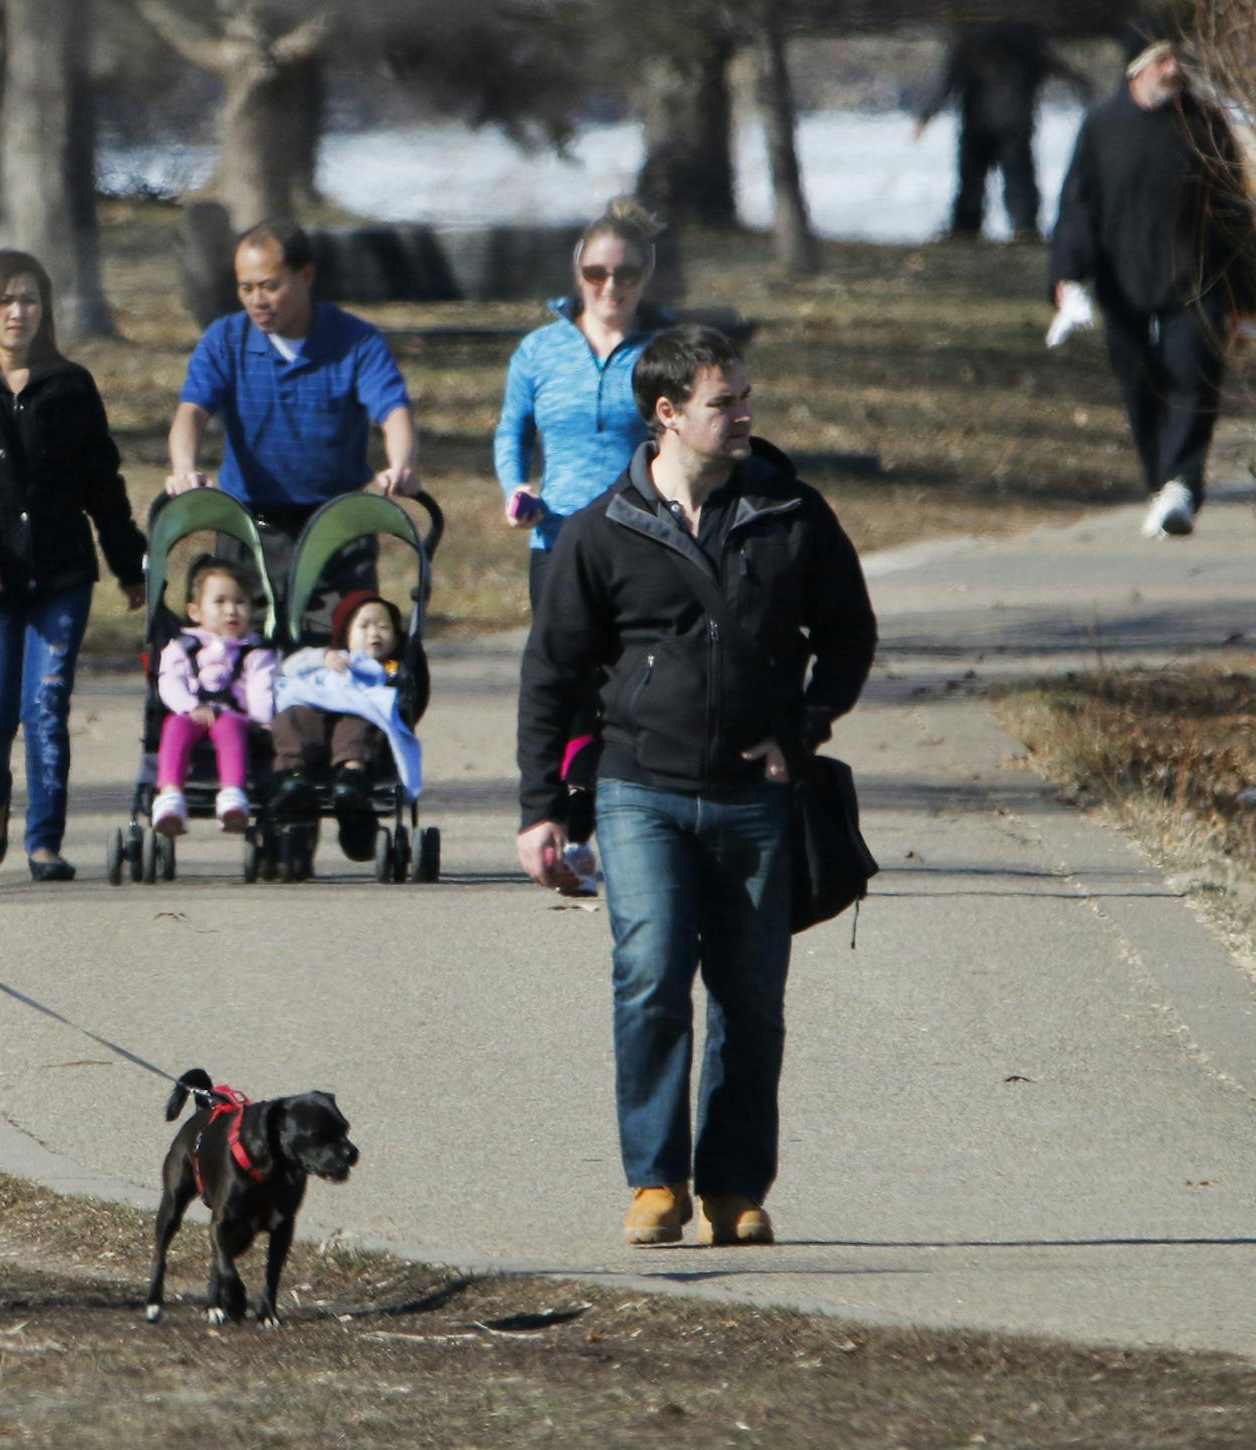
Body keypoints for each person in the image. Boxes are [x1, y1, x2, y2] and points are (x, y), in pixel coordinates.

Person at [514, 325, 876, 1249]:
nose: (745, 413)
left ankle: (735, 1189)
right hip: (639, 791)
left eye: (746, 396)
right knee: (651, 977)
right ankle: (654, 1181)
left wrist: (801, 730)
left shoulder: (793, 515)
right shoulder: (601, 531)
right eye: (726, 402)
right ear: (668, 414)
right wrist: (540, 812)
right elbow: (552, 673)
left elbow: (849, 635)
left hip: (757, 800)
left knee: (751, 999)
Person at [0, 250, 147, 882]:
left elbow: (102, 483)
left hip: (61, 576)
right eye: (5, 300)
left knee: (47, 707)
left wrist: (128, 564)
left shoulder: (71, 386)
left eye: (29, 300)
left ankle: (45, 842)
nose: (17, 312)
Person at [1048, 38, 1256, 539]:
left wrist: (1245, 295)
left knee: (1194, 376)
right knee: (1139, 383)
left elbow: (1234, 212)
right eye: (1163, 61)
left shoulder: (1204, 124)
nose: (1174, 69)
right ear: (1137, 71)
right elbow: (1078, 208)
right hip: (1122, 282)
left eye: (1180, 60)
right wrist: (1067, 275)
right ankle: (1162, 483)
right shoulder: (1103, 127)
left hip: (1196, 281)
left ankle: (1182, 485)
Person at [163, 220, 418, 632]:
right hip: (249, 521)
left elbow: (393, 411)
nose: (256, 300)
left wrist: (401, 465)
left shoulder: (356, 341)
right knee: (245, 652)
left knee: (333, 651)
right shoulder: (224, 340)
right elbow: (191, 413)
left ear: (306, 276)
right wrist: (183, 469)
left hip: (335, 523)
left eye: (269, 286)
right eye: (246, 288)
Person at [495, 196, 674, 610]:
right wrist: (516, 487)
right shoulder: (539, 350)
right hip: (559, 540)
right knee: (560, 672)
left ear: (645, 276)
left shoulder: (666, 351)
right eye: (597, 273)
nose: (610, 287)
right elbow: (513, 430)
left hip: (645, 540)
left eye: (626, 274)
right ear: (578, 275)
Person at [268, 589, 421, 857]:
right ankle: (294, 776)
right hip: (317, 711)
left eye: (383, 626)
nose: (374, 632)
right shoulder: (329, 657)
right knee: (293, 717)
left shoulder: (391, 667)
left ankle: (352, 777)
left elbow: (406, 693)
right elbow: (287, 669)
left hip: (358, 713)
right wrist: (323, 658)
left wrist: (397, 686)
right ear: (345, 636)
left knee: (360, 723)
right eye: (364, 626)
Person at [912, 24, 1093, 243]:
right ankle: (1021, 227)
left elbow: (950, 81)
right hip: (1009, 123)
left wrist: (926, 116)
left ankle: (972, 227)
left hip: (987, 125)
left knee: (980, 180)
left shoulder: (974, 37)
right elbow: (1053, 65)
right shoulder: (1022, 36)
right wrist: (1084, 87)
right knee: (1013, 179)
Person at [152, 556, 277, 837]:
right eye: (219, 602)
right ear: (195, 612)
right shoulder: (183, 646)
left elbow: (261, 688)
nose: (231, 610)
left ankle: (232, 794)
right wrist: (190, 706)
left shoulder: (255, 652)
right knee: (174, 725)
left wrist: (260, 719)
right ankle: (170, 795)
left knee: (230, 726)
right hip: (191, 712)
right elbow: (169, 681)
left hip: (235, 716)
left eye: (240, 602)